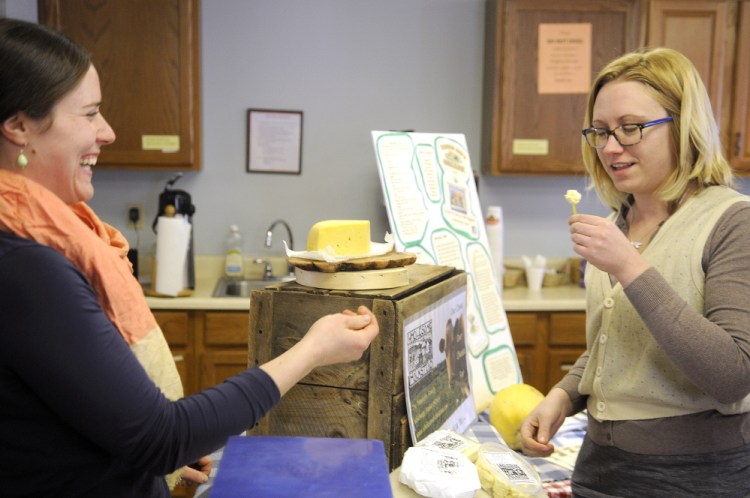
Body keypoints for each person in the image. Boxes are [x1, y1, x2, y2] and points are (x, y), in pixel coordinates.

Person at [0, 18, 379, 498]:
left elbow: (76, 414)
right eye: (90, 113)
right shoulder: (24, 267)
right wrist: (312, 351)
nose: (108, 132)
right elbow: (161, 436)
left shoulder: (44, 241)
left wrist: (164, 448)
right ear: (18, 126)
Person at [520, 46, 750, 497]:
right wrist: (564, 396)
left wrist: (628, 265)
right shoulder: (617, 224)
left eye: (631, 128)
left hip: (696, 476)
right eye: (600, 131)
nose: (610, 147)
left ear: (684, 126)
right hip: (600, 465)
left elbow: (731, 375)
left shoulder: (733, 221)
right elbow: (619, 337)